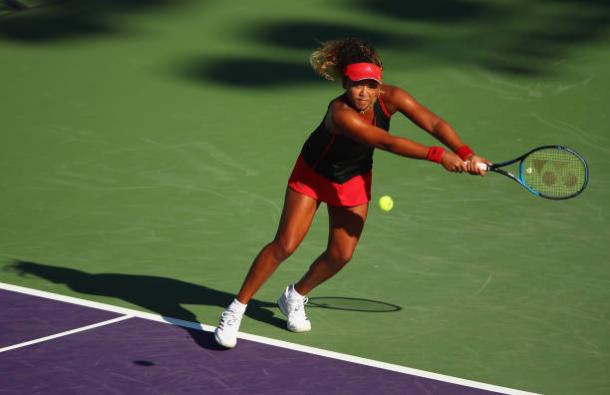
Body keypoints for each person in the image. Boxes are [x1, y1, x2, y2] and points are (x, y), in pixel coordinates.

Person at [214, 38, 488, 348]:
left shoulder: (392, 97)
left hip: (353, 178)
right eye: (357, 84)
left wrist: (466, 152)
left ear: (379, 84)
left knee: (341, 254)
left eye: (371, 85)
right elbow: (385, 142)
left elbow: (434, 122)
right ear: (346, 82)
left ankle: (294, 296)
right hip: (313, 175)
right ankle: (236, 309)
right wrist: (440, 156)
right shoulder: (340, 113)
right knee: (285, 244)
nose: (364, 92)